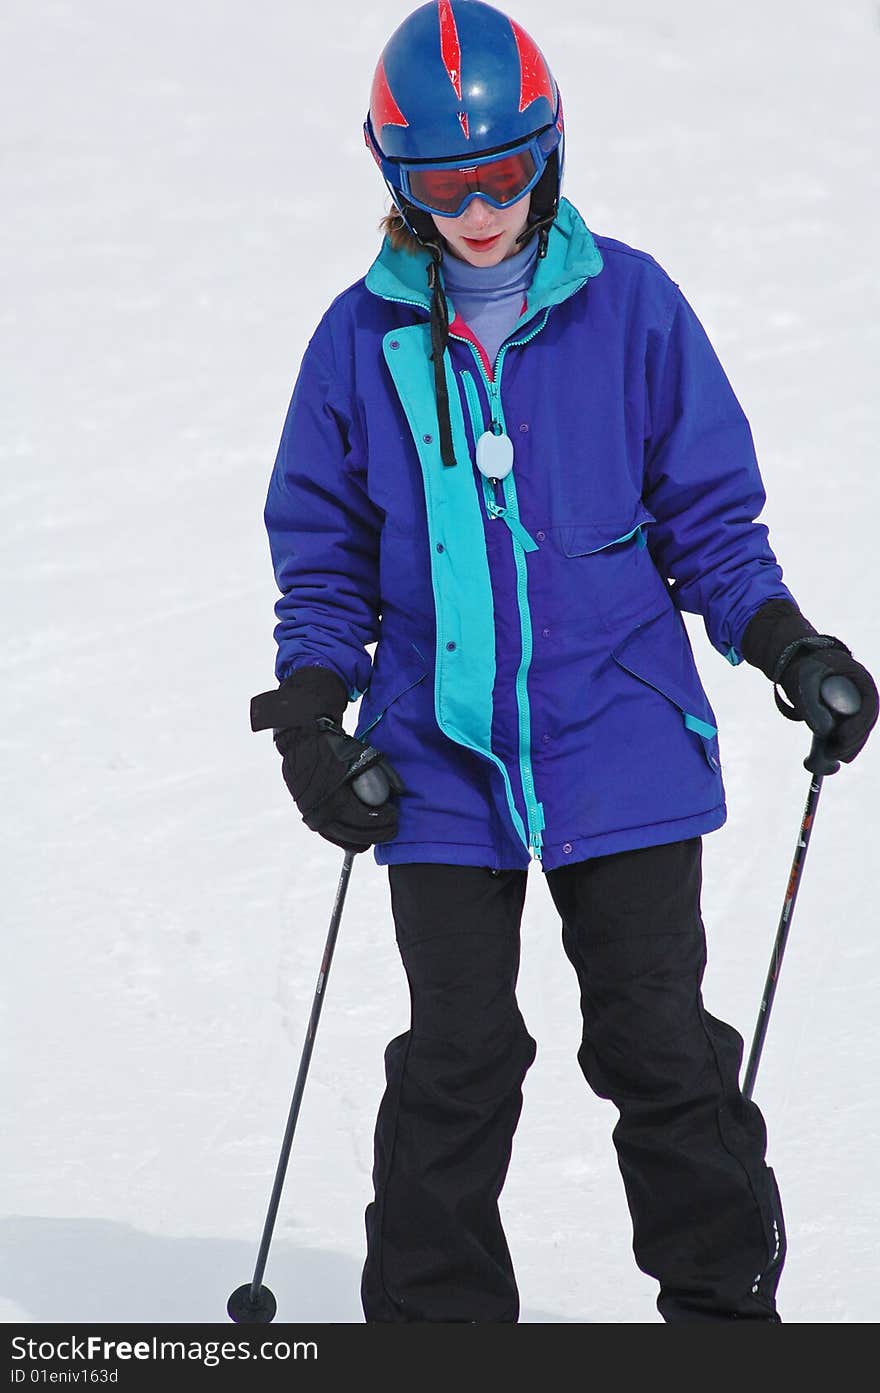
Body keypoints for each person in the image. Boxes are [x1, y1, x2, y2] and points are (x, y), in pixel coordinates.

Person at [253, 0, 877, 1322]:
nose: (480, 208)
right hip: (439, 751)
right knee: (458, 1054)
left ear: (550, 152)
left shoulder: (631, 307)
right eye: (442, 183)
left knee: (657, 1040)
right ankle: (436, 1323)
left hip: (622, 736)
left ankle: (722, 1307)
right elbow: (325, 565)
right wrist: (317, 713)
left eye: (506, 172)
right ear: (395, 181)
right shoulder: (359, 343)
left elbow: (710, 526)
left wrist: (786, 643)